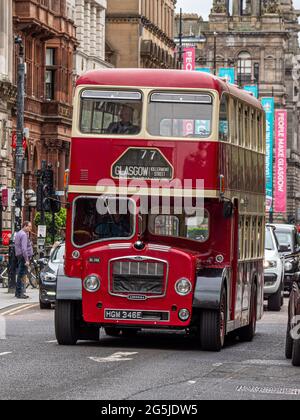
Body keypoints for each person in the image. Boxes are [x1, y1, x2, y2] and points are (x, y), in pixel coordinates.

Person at [14, 221, 33, 299]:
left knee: (20, 274)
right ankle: (21, 293)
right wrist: (27, 260)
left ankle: (17, 292)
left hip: (19, 256)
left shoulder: (19, 233)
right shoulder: (24, 235)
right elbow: (24, 249)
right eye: (29, 226)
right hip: (23, 257)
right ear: (25, 226)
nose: (30, 228)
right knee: (22, 275)